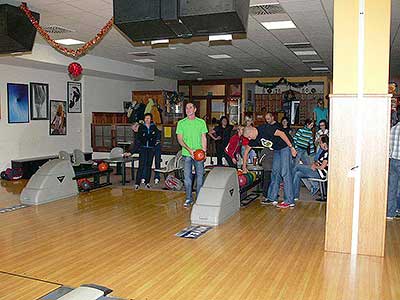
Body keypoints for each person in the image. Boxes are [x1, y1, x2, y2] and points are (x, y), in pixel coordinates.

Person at [243, 112, 297, 209]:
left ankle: (289, 200)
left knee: (285, 172)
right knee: (275, 172)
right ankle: (272, 197)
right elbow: (246, 151)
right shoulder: (254, 138)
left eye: (249, 137)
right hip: (277, 149)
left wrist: (291, 147)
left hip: (285, 146)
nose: (249, 139)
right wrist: (244, 167)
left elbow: (282, 134)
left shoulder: (265, 129)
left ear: (251, 132)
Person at [176, 103, 208, 207]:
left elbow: (204, 137)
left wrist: (204, 151)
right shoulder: (181, 123)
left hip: (199, 155)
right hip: (187, 154)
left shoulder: (201, 122)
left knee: (200, 177)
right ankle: (188, 198)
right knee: (187, 178)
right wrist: (190, 150)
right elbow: (180, 139)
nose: (188, 109)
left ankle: (199, 199)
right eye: (186, 108)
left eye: (190, 108)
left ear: (195, 109)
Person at [293, 135, 329, 200]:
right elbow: (317, 161)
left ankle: (288, 187)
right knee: (297, 174)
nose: (319, 144)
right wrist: (315, 164)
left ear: (325, 143)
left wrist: (315, 166)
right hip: (317, 171)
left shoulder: (327, 153)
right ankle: (295, 196)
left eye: (320, 142)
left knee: (297, 166)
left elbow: (322, 167)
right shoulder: (323, 151)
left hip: (320, 173)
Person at [134, 113, 160, 189]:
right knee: (141, 165)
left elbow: (155, 137)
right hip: (143, 148)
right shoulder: (141, 127)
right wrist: (149, 137)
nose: (147, 120)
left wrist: (148, 137)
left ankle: (147, 182)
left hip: (151, 148)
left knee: (149, 166)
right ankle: (137, 183)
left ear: (151, 119)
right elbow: (140, 138)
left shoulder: (154, 127)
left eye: (148, 118)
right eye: (146, 118)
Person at [387, 117, 400, 219]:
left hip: (393, 160)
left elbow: (389, 147)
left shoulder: (393, 129)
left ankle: (390, 213)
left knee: (392, 187)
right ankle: (398, 209)